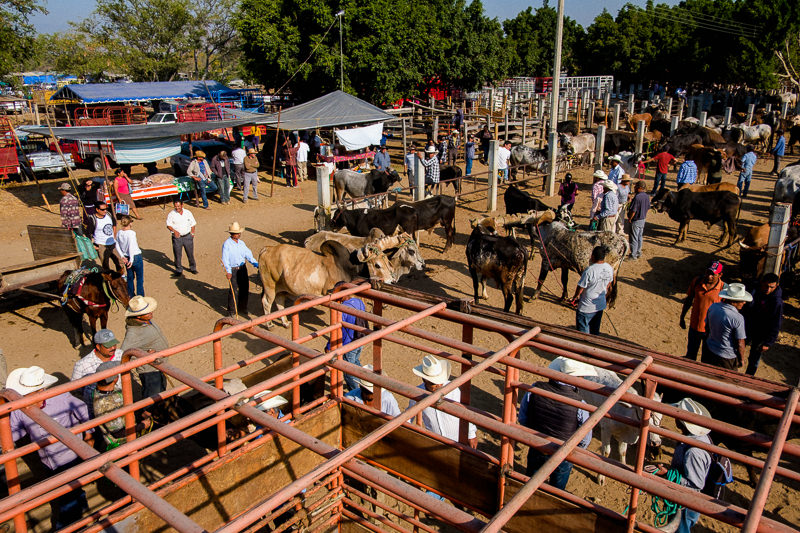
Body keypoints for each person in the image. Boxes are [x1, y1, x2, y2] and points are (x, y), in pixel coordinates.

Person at [7, 366, 90, 529]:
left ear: (41, 390)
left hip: (70, 455)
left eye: (30, 395)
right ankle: (80, 510)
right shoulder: (20, 409)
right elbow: (11, 435)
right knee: (68, 493)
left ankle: (64, 526)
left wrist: (90, 434)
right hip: (47, 460)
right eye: (25, 396)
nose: (28, 400)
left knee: (66, 499)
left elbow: (83, 412)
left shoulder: (61, 397)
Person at [518, 357, 593, 489]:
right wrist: (574, 450)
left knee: (531, 484)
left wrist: (533, 435)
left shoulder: (535, 388)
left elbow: (523, 418)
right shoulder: (580, 404)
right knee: (557, 489)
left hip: (537, 445)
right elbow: (585, 439)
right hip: (563, 452)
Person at [656, 398, 713, 532]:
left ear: (682, 422)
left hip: (685, 502)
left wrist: (667, 474)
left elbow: (695, 485)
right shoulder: (698, 438)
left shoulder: (694, 452)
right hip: (682, 500)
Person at [408, 355, 477, 448]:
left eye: (440, 381)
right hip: (434, 441)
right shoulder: (417, 393)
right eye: (434, 383)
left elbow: (465, 410)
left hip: (457, 440)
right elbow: (409, 415)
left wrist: (471, 434)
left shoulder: (453, 389)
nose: (439, 385)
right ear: (424, 380)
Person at [120, 295, 169, 398]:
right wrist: (144, 356)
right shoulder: (133, 333)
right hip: (150, 371)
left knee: (160, 394)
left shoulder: (146, 321)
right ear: (138, 316)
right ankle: (146, 413)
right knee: (151, 400)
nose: (151, 312)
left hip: (158, 366)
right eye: (147, 312)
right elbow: (122, 354)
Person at [325, 283, 367, 391]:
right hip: (360, 339)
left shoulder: (343, 309)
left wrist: (329, 345)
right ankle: (366, 384)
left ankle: (355, 391)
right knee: (356, 362)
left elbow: (339, 330)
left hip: (349, 343)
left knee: (348, 371)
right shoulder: (359, 302)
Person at [680, 261, 724, 360]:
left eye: (713, 274)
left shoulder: (723, 290)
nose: (709, 276)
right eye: (708, 272)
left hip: (711, 331)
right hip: (694, 326)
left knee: (706, 358)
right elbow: (689, 300)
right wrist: (682, 317)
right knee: (691, 354)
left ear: (720, 275)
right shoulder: (697, 281)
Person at [702, 283, 752, 370]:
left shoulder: (713, 306)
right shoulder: (737, 318)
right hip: (726, 357)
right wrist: (741, 359)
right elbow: (740, 343)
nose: (744, 302)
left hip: (709, 350)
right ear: (733, 301)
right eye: (742, 300)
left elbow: (707, 328)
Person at [742, 273, 783, 376]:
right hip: (747, 327)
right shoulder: (754, 291)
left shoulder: (777, 302)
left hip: (762, 333)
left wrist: (768, 342)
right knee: (737, 349)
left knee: (754, 359)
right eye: (766, 286)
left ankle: (749, 377)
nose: (768, 289)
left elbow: (776, 323)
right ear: (761, 283)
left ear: (776, 285)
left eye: (771, 287)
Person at [569, 245, 614, 335]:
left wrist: (575, 296)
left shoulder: (590, 270)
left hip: (586, 307)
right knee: (594, 331)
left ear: (592, 256)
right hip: (599, 305)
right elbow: (608, 285)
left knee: (583, 334)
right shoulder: (609, 268)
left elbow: (580, 287)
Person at [71, 328, 123, 406]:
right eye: (108, 346)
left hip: (121, 400)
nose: (113, 348)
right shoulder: (82, 365)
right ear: (98, 346)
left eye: (114, 344)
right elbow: (75, 390)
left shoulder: (121, 355)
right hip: (98, 406)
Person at [221, 222, 259, 317]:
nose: (239, 234)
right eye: (237, 233)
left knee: (244, 288)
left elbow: (248, 254)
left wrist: (255, 263)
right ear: (232, 234)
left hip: (242, 268)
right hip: (233, 269)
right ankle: (231, 311)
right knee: (233, 290)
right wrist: (228, 271)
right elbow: (225, 259)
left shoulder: (242, 243)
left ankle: (243, 308)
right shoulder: (227, 244)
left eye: (239, 233)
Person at [91, 360, 126, 450]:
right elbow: (118, 433)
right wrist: (142, 425)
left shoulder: (110, 390)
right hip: (120, 445)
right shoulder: (104, 404)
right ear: (115, 379)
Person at [86, 201, 123, 273]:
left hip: (112, 243)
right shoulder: (93, 219)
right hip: (101, 245)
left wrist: (114, 236)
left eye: (106, 209)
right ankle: (108, 279)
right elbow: (88, 234)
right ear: (97, 209)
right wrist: (92, 245)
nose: (105, 211)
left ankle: (121, 276)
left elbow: (114, 224)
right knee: (105, 264)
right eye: (102, 210)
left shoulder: (109, 215)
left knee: (119, 261)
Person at [166, 199, 197, 277]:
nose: (177, 208)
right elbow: (168, 225)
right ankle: (179, 269)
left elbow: (193, 223)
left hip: (187, 236)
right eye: (175, 206)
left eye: (178, 206)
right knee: (177, 254)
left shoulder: (188, 213)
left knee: (190, 253)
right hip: (177, 238)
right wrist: (174, 231)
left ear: (182, 205)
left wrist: (192, 233)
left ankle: (192, 268)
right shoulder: (171, 214)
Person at [115, 215, 144, 296]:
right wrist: (131, 260)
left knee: (130, 278)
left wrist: (122, 256)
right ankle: (140, 296)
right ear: (130, 223)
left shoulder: (119, 233)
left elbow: (116, 244)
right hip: (135, 256)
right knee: (139, 278)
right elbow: (131, 247)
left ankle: (131, 295)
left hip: (126, 257)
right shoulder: (131, 233)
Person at [627, 180, 649, 260]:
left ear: (640, 188)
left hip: (636, 220)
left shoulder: (637, 197)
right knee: (640, 237)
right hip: (642, 219)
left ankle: (633, 255)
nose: (634, 188)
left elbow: (633, 210)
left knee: (634, 238)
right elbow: (647, 208)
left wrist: (630, 218)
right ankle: (638, 252)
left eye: (636, 187)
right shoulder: (646, 196)